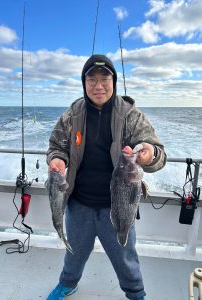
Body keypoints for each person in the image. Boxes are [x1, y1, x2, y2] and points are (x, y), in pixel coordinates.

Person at [46, 54, 166, 300]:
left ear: (114, 81)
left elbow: (160, 156)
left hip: (119, 204)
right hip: (80, 203)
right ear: (84, 82)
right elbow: (56, 145)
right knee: (75, 251)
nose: (98, 86)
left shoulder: (131, 115)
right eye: (92, 80)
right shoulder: (72, 114)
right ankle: (68, 283)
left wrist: (149, 154)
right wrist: (57, 159)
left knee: (125, 254)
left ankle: (135, 293)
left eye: (105, 79)